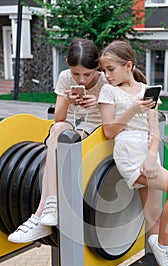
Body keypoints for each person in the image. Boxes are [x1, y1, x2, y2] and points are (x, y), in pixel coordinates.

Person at [98, 40, 168, 266]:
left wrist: (152, 156)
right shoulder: (109, 92)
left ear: (128, 65)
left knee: (153, 216)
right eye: (104, 70)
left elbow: (154, 128)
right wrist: (131, 109)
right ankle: (164, 248)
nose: (107, 75)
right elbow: (109, 131)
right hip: (129, 153)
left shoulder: (147, 90)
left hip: (148, 154)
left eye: (111, 69)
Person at [8, 38, 108, 243]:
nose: (81, 80)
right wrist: (66, 99)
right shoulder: (64, 77)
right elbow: (59, 118)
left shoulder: (106, 81)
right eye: (75, 73)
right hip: (71, 124)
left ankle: (39, 214)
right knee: (58, 130)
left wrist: (100, 103)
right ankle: (51, 206)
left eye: (87, 74)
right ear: (67, 65)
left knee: (65, 138)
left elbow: (113, 119)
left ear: (97, 66)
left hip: (96, 129)